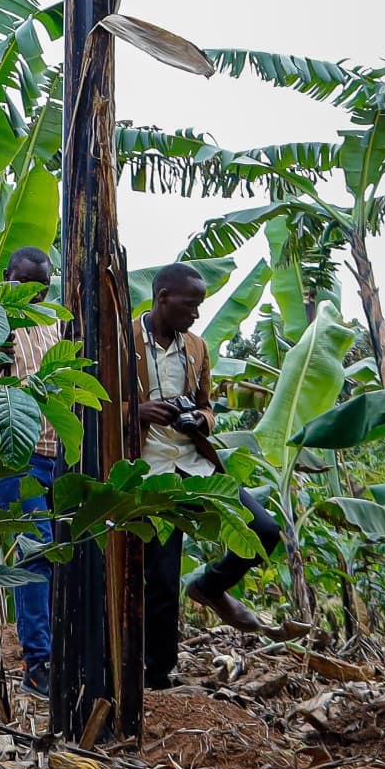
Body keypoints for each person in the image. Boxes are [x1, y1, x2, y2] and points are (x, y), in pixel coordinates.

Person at [136, 263, 283, 690]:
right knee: (160, 578)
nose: (198, 314)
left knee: (263, 529)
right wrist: (136, 412)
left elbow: (207, 406)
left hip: (194, 465)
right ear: (163, 297)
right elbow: (93, 400)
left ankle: (209, 587)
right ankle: (158, 676)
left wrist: (199, 420)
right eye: (191, 304)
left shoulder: (196, 348)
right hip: (147, 472)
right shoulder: (122, 340)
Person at [0, 246, 63, 696]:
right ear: (8, 277)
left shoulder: (58, 325)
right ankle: (38, 662)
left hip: (60, 455)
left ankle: (56, 651)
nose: (32, 293)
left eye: (41, 285)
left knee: (59, 555)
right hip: (19, 456)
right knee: (34, 555)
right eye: (24, 283)